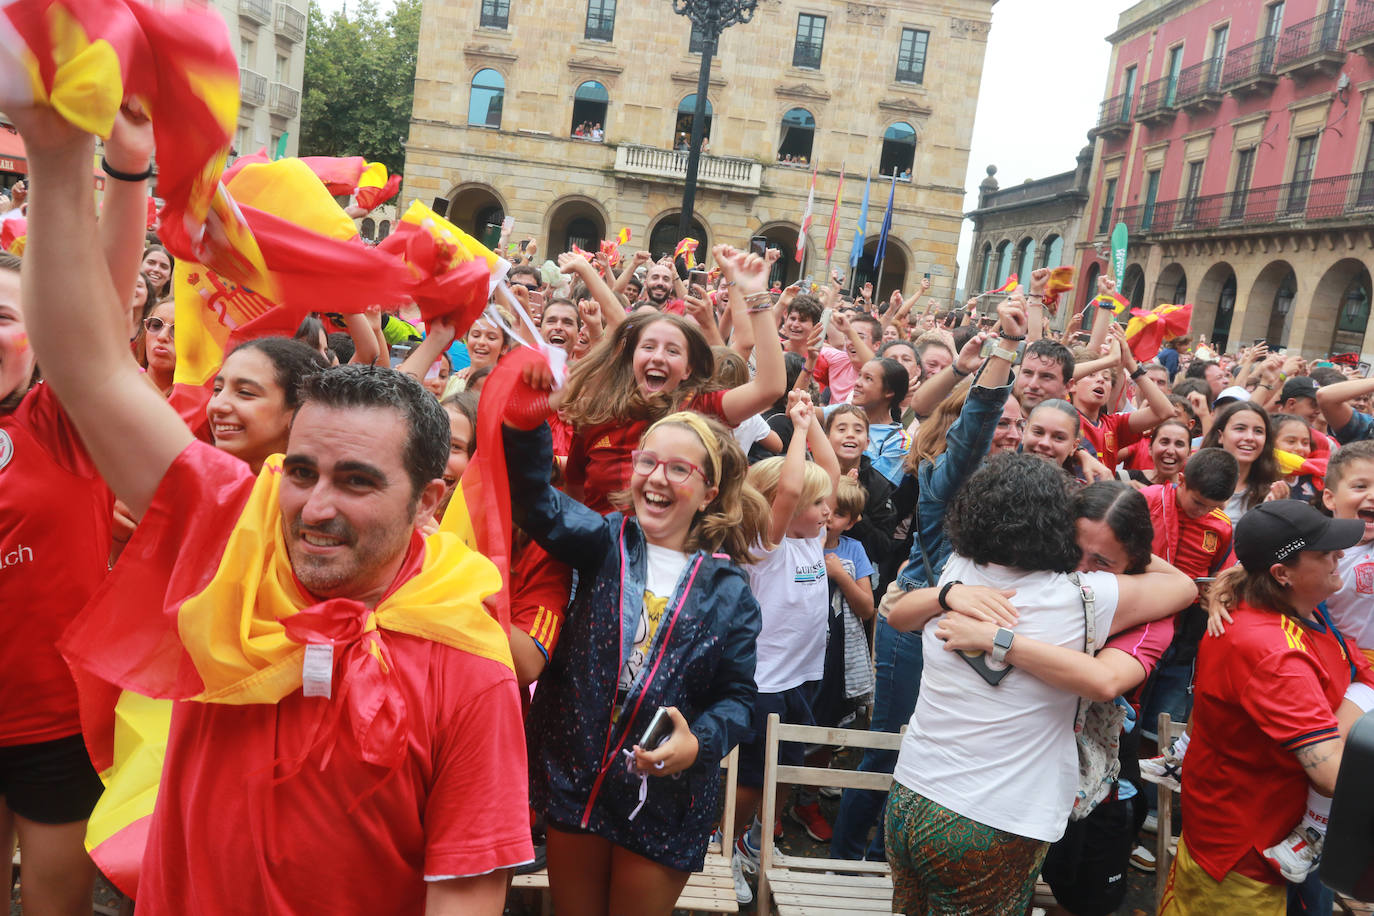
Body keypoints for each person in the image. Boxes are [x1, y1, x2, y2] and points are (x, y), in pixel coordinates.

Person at [16, 105, 531, 913]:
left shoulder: (469, 667)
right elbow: (84, 363)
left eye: (358, 482)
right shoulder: (233, 529)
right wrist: (64, 158)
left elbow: (465, 895)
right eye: (301, 471)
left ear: (431, 500)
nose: (313, 506)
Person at [883, 454, 1196, 914]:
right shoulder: (1083, 598)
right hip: (990, 821)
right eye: (1078, 549)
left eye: (1101, 560)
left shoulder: (962, 568)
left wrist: (980, 624)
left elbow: (896, 615)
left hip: (909, 799)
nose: (1084, 566)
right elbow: (1186, 587)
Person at [502, 399, 765, 916]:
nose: (657, 477)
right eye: (648, 461)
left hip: (665, 796)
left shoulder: (731, 592)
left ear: (709, 492)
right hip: (577, 778)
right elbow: (533, 497)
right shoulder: (603, 541)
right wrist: (526, 418)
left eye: (679, 468)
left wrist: (699, 743)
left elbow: (737, 699)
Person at [830, 299, 1024, 864]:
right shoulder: (947, 474)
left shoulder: (1012, 481)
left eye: (1019, 422)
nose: (1010, 432)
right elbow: (975, 423)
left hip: (968, 633)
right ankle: (849, 862)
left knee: (937, 754)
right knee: (891, 749)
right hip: (913, 623)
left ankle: (891, 861)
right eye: (1001, 423)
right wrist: (1002, 352)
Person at [1161, 501, 1372, 915]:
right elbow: (1331, 774)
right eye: (1325, 552)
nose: (1340, 557)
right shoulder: (1273, 654)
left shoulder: (1293, 610)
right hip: (1247, 861)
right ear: (1282, 574)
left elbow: (1356, 670)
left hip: (1259, 842)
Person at [0, 248, 112, 916]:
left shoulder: (62, 421)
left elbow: (104, 296)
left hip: (55, 723)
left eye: (3, 315)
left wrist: (124, 171)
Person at [558, 245, 784, 515]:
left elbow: (770, 387)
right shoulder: (598, 414)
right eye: (649, 347)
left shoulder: (702, 409)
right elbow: (575, 495)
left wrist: (758, 294)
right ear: (632, 357)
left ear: (688, 370)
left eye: (673, 351)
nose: (658, 357)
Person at [731, 392, 840, 905]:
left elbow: (830, 475)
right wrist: (796, 434)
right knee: (753, 776)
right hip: (763, 683)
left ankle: (756, 840)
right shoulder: (763, 546)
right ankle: (725, 843)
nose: (828, 511)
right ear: (785, 505)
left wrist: (812, 422)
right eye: (816, 505)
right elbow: (793, 485)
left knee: (788, 769)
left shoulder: (810, 539)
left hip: (801, 678)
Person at [207, 336, 330, 473]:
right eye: (217, 389)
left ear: (299, 411)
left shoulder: (316, 492)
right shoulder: (196, 485)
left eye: (245, 392)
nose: (217, 406)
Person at [1200, 400, 1283, 521]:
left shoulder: (1273, 491)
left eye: (1258, 431)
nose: (1250, 437)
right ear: (1220, 436)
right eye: (1240, 429)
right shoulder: (1195, 483)